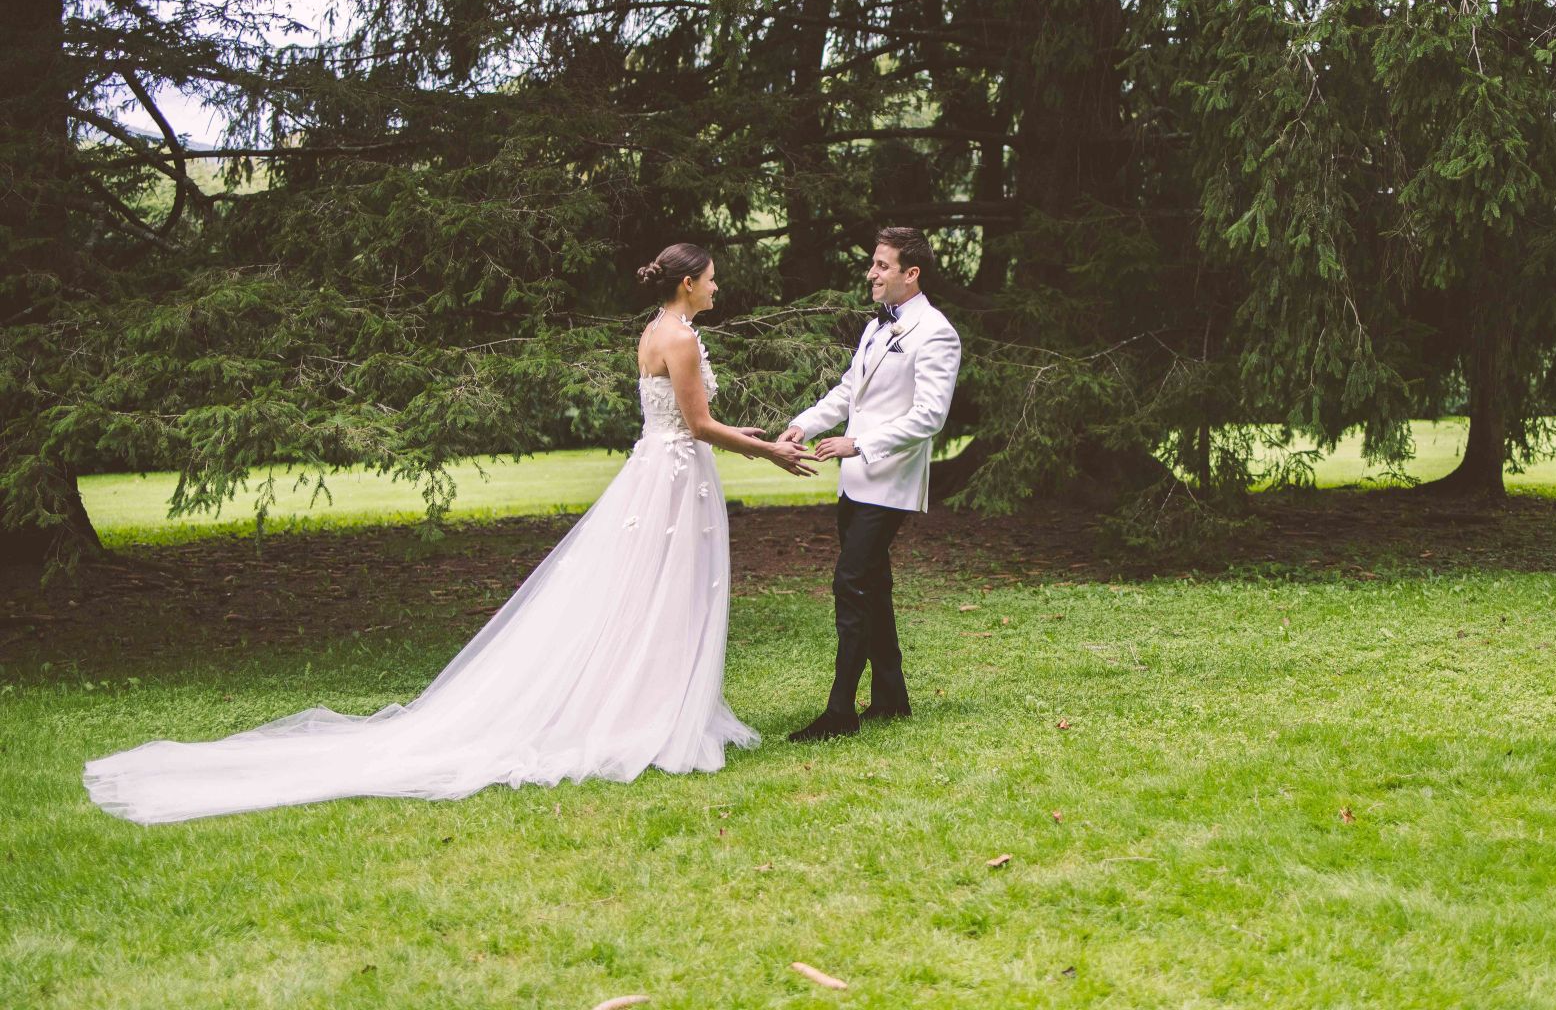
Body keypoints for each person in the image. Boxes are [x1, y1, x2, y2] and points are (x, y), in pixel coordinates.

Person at [83, 244, 815, 824]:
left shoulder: (657, 330)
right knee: (662, 592)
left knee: (652, 593)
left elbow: (681, 421)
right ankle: (649, 714)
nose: (718, 288)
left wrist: (734, 434)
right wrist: (770, 451)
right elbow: (693, 424)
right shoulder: (680, 338)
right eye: (712, 280)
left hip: (662, 470)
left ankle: (649, 701)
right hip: (674, 477)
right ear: (688, 285)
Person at [782, 227, 962, 742]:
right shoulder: (875, 328)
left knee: (851, 582)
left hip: (890, 482)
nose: (871, 274)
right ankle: (891, 698)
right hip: (854, 483)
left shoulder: (936, 332)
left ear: (912, 274)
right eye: (873, 264)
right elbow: (848, 392)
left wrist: (857, 444)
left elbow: (929, 417)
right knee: (873, 587)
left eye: (882, 266)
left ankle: (840, 713)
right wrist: (806, 424)